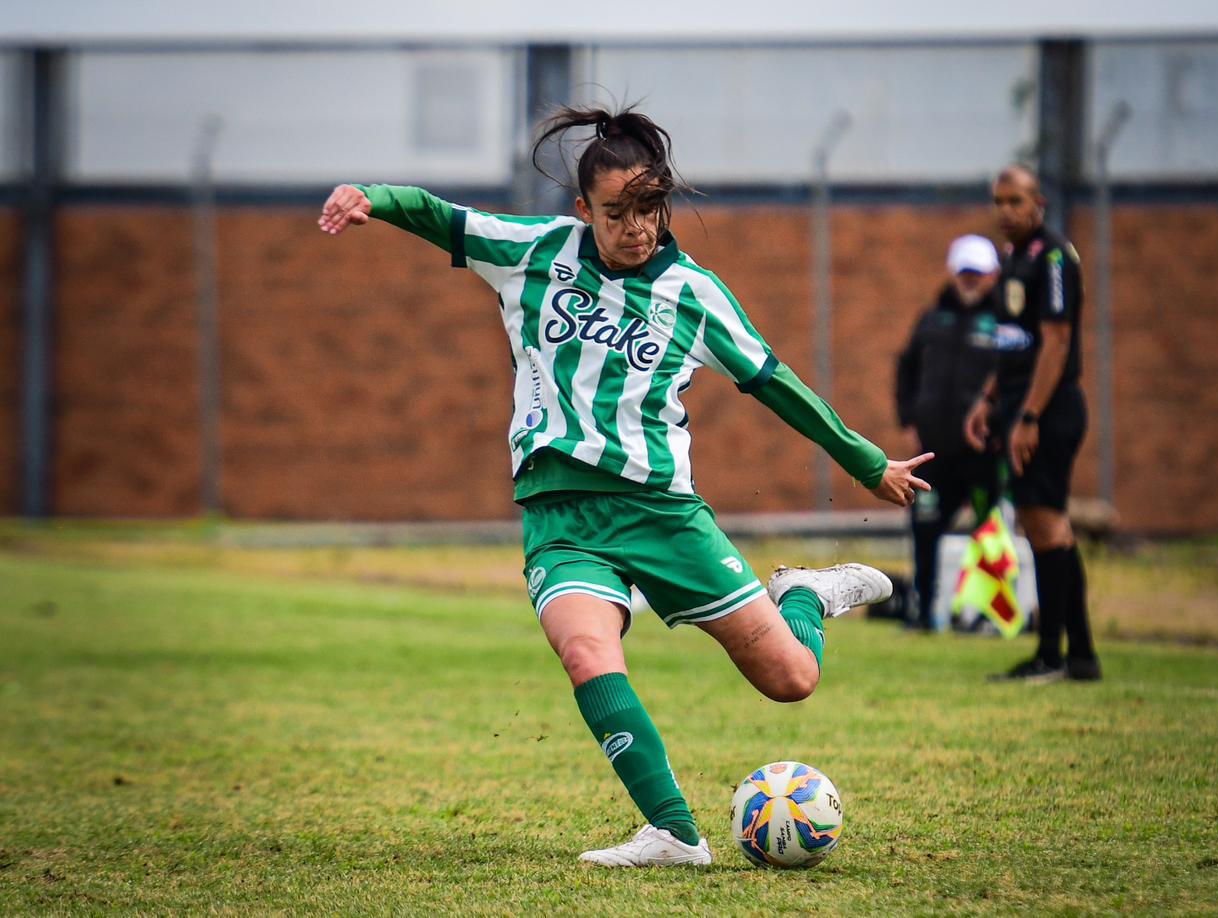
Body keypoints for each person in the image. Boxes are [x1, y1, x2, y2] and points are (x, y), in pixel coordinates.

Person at [318, 106, 933, 867]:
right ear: (584, 209)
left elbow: (775, 382)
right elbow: (438, 215)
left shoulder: (695, 293)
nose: (636, 227)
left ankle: (804, 594)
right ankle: (675, 834)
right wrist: (370, 197)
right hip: (562, 515)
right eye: (616, 212)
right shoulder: (534, 252)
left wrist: (868, 462)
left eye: (649, 208)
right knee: (586, 652)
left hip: (662, 514)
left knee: (792, 679)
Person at [965, 164, 1102, 683]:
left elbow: (1056, 342)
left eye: (1015, 201)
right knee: (1046, 527)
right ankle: (1079, 655)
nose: (1005, 211)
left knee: (1047, 526)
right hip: (1019, 407)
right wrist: (989, 399)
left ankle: (1052, 654)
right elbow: (1014, 343)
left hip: (1049, 409)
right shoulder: (1013, 259)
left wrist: (1029, 416)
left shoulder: (1052, 257)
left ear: (1038, 203)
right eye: (998, 201)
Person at [895, 234, 1002, 630]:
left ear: (992, 275)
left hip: (982, 453)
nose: (970, 279)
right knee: (925, 527)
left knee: (990, 531)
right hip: (934, 451)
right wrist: (909, 418)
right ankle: (924, 611)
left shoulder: (1004, 322)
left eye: (978, 272)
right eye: (964, 271)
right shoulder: (932, 320)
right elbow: (906, 368)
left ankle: (988, 614)